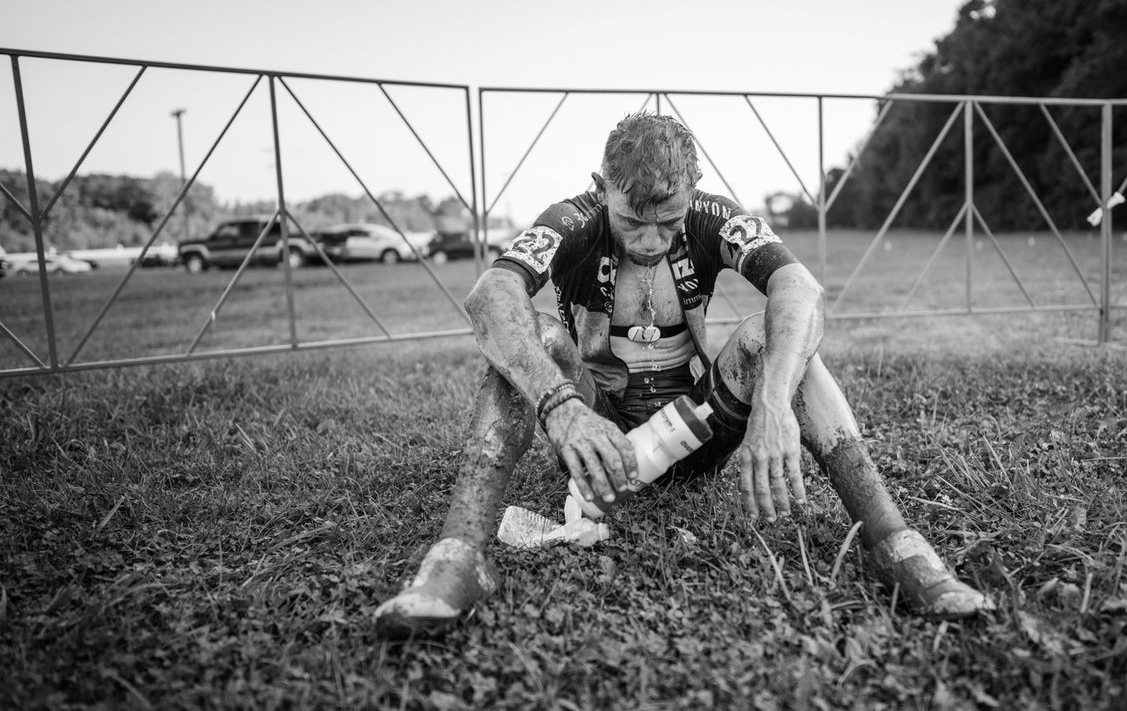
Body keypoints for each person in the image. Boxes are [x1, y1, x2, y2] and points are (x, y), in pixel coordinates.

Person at [374, 113, 991, 637]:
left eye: (668, 222)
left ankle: (893, 544)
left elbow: (799, 288)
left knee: (766, 335)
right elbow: (491, 297)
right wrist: (562, 406)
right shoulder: (571, 218)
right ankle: (459, 557)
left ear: (694, 191)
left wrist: (773, 401)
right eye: (631, 220)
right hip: (598, 441)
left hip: (695, 432)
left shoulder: (714, 216)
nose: (649, 240)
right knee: (533, 335)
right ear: (602, 188)